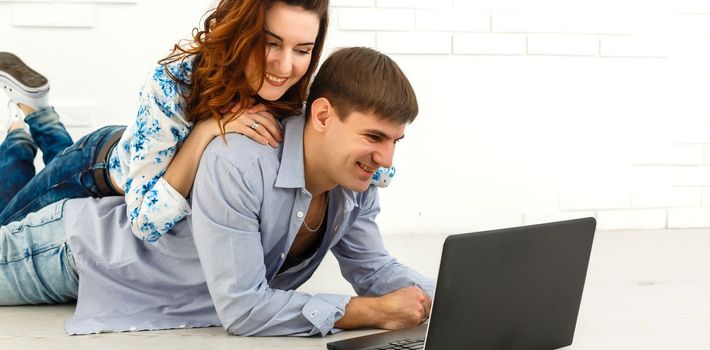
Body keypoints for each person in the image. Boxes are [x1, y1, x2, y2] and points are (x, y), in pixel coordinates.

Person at [0, 47, 434, 337]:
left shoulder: (356, 182)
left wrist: (460, 295)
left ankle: (28, 127)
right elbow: (244, 309)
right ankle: (22, 136)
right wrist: (368, 311)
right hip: (69, 251)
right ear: (322, 115)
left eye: (395, 141)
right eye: (375, 137)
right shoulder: (241, 161)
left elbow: (374, 270)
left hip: (117, 192)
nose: (387, 160)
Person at [0, 0, 362, 243]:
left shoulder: (301, 97)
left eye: (302, 50)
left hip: (138, 145)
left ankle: (38, 114)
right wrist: (207, 130)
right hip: (96, 169)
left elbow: (368, 156)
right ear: (241, 33)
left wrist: (369, 157)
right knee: (5, 225)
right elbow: (144, 221)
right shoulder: (175, 81)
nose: (286, 67)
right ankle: (19, 137)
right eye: (270, 44)